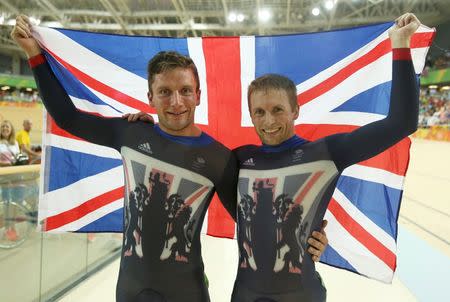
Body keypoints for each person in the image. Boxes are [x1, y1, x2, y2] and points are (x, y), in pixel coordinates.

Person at [11, 15, 328, 302]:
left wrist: (310, 237)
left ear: (198, 95)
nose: (176, 102)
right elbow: (68, 118)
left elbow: (254, 221)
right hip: (130, 290)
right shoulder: (131, 134)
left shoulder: (218, 158)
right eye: (164, 91)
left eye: (185, 91)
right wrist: (33, 54)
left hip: (187, 292)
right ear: (150, 97)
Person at [228, 13, 421, 302]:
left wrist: (401, 43)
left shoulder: (325, 153)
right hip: (244, 295)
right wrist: (136, 123)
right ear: (251, 114)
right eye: (259, 111)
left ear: (295, 110)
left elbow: (401, 122)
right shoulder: (239, 160)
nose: (268, 120)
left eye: (278, 109)